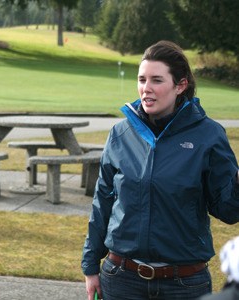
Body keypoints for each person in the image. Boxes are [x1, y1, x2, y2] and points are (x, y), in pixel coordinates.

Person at [81, 40, 239, 300]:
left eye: (156, 80)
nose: (146, 89)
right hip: (122, 279)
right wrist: (90, 267)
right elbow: (103, 202)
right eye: (142, 79)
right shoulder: (120, 134)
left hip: (185, 284)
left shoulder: (209, 135)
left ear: (180, 85)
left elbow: (228, 210)